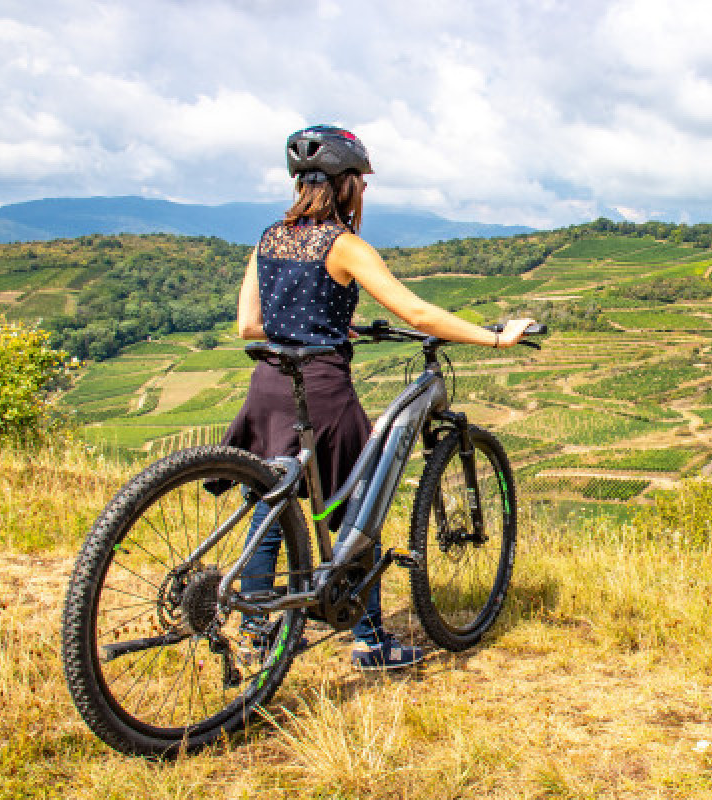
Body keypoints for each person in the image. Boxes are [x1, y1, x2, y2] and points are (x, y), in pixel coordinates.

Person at [223, 124, 535, 670]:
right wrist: (495, 336)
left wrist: (322, 325)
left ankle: (257, 629)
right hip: (321, 388)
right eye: (361, 183)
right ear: (346, 185)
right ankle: (370, 640)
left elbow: (250, 323)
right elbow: (415, 313)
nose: (363, 192)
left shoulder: (268, 238)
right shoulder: (342, 246)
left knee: (271, 505)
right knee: (357, 506)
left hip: (269, 383)